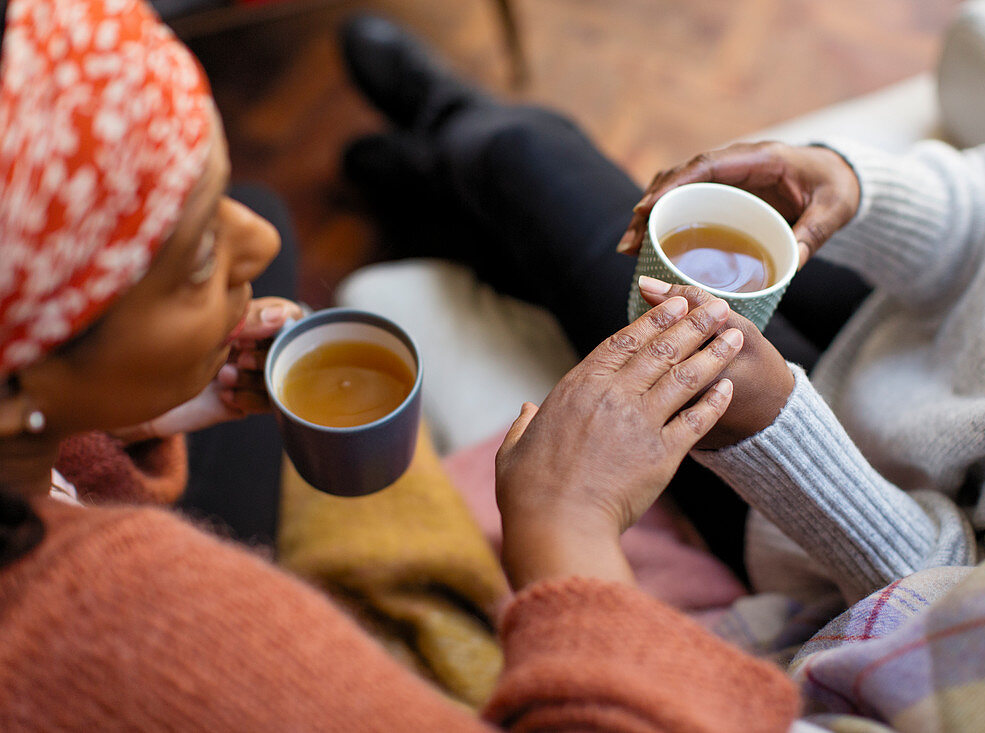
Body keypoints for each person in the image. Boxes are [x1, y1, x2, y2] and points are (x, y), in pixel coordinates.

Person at [0, 0, 800, 729]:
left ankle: (417, 174)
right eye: (200, 251)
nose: (260, 242)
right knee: (515, 161)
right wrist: (568, 528)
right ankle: (435, 158)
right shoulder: (153, 629)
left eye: (217, 195)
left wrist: (132, 416)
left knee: (296, 212)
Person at [338, 15, 985, 622]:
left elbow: (955, 614)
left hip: (826, 497)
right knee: (533, 182)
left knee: (525, 157)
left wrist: (772, 429)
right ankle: (440, 190)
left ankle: (440, 158)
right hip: (904, 318)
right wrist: (860, 190)